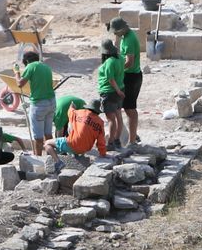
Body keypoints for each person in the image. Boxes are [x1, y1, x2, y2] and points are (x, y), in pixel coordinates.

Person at [43, 98, 108, 175]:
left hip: (72, 144)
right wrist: (103, 154)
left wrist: (72, 106)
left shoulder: (79, 113)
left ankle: (58, 162)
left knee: (47, 143)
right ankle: (75, 156)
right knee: (78, 139)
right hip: (85, 149)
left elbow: (70, 112)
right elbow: (101, 141)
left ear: (88, 107)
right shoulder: (100, 122)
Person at [14, 50, 56, 156]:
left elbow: (19, 84)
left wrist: (16, 72)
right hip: (51, 102)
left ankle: (39, 161)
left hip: (39, 105)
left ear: (27, 61)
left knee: (38, 138)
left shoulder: (31, 66)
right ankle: (51, 160)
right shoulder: (46, 67)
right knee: (48, 135)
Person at [109, 17, 142, 145]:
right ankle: (132, 134)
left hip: (131, 77)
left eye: (115, 32)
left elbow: (130, 61)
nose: (114, 34)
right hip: (129, 76)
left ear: (121, 30)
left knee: (130, 109)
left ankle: (132, 141)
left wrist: (117, 69)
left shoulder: (129, 39)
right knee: (125, 107)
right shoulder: (125, 36)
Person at [97, 39, 125, 150]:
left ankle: (111, 143)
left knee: (111, 120)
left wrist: (117, 90)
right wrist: (119, 91)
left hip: (109, 92)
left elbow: (111, 79)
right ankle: (117, 140)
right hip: (119, 90)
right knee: (119, 117)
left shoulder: (109, 62)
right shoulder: (120, 58)